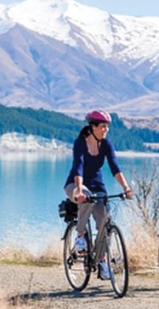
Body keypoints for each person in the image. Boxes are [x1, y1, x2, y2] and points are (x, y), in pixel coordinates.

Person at [64, 109, 134, 280]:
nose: (106, 130)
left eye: (107, 127)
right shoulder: (80, 143)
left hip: (97, 185)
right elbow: (78, 166)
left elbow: (115, 168)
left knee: (104, 220)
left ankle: (102, 261)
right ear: (93, 127)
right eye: (103, 126)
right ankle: (80, 237)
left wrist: (125, 187)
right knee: (86, 198)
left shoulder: (106, 144)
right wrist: (79, 189)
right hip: (75, 183)